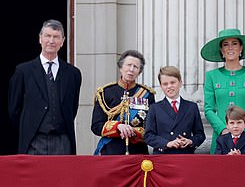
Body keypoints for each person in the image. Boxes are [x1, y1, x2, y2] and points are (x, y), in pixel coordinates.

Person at [8, 19, 82, 154]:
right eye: (47, 36)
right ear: (40, 38)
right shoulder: (23, 71)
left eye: (56, 37)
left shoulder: (73, 74)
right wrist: (29, 127)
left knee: (62, 175)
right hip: (34, 141)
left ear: (62, 41)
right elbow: (14, 109)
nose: (51, 41)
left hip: (63, 141)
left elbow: (72, 108)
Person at [202, 28, 245, 153]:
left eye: (234, 44)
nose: (230, 48)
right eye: (225, 44)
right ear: (221, 50)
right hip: (221, 138)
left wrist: (242, 128)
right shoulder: (211, 76)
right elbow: (208, 109)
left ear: (241, 48)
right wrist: (223, 130)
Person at [91, 50, 155, 155]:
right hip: (111, 150)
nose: (131, 69)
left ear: (139, 71)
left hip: (138, 151)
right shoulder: (105, 92)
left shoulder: (147, 94)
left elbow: (152, 126)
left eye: (135, 67)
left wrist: (134, 132)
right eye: (128, 65)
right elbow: (96, 126)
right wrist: (117, 127)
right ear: (121, 67)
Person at [144, 66, 206, 154]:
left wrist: (190, 141)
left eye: (173, 82)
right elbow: (148, 136)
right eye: (165, 84)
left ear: (180, 83)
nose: (169, 86)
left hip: (185, 155)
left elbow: (200, 135)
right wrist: (167, 143)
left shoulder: (192, 107)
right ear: (161, 86)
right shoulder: (155, 108)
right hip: (163, 156)